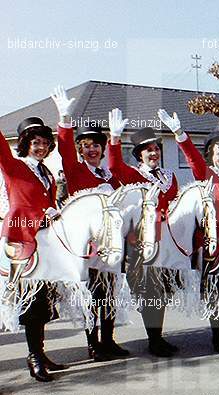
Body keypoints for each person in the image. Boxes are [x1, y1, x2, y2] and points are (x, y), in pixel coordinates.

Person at [158, 109, 219, 354]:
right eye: (218, 153)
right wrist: (179, 133)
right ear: (211, 156)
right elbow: (192, 159)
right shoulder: (206, 175)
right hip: (214, 244)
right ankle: (217, 335)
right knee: (217, 291)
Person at [51, 86, 128, 362]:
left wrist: (117, 138)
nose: (92, 149)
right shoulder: (75, 170)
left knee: (109, 294)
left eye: (96, 145)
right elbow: (64, 149)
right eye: (86, 146)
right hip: (86, 246)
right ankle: (92, 343)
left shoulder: (111, 174)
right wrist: (65, 120)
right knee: (90, 295)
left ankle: (108, 340)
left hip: (110, 244)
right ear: (81, 150)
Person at [107, 108, 180, 357]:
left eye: (156, 149)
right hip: (139, 243)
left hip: (165, 242)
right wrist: (115, 139)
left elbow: (174, 205)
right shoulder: (133, 175)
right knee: (149, 291)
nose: (154, 153)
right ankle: (153, 340)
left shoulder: (169, 176)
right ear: (139, 154)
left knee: (162, 292)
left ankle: (157, 337)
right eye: (148, 150)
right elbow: (115, 166)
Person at [0, 117, 67, 381]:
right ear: (26, 144)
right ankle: (34, 357)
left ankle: (40, 352)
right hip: (22, 240)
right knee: (32, 302)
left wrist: (53, 213)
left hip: (45, 241)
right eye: (35, 142)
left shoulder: (47, 172)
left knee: (44, 302)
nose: (40, 147)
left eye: (44, 143)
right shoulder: (14, 167)